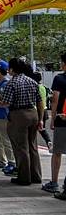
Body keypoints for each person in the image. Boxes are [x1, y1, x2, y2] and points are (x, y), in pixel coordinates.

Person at [0, 58, 43, 186]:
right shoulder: (32, 81)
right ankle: (36, 175)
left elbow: (7, 102)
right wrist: (40, 118)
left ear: (11, 69)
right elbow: (40, 101)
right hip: (32, 113)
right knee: (32, 146)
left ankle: (24, 177)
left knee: (21, 147)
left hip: (18, 116)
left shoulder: (12, 83)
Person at [42, 52, 66, 197]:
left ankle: (54, 182)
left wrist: (52, 118)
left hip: (61, 120)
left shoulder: (59, 78)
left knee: (57, 152)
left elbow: (55, 99)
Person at [32, 72, 52, 150]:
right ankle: (48, 141)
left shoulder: (35, 87)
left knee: (32, 130)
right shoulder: (44, 87)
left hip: (37, 110)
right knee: (41, 128)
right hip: (45, 110)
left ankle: (33, 146)